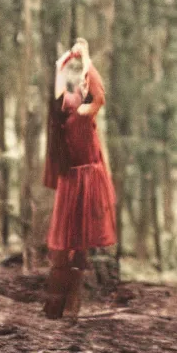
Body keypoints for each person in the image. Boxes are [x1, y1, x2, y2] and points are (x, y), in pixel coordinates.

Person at [41, 38, 117, 321]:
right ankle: (69, 307)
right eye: (83, 84)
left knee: (67, 248)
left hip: (70, 184)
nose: (85, 86)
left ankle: (56, 308)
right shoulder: (81, 114)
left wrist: (66, 59)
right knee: (77, 250)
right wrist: (87, 58)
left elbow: (59, 74)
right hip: (83, 183)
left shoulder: (62, 111)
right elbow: (100, 97)